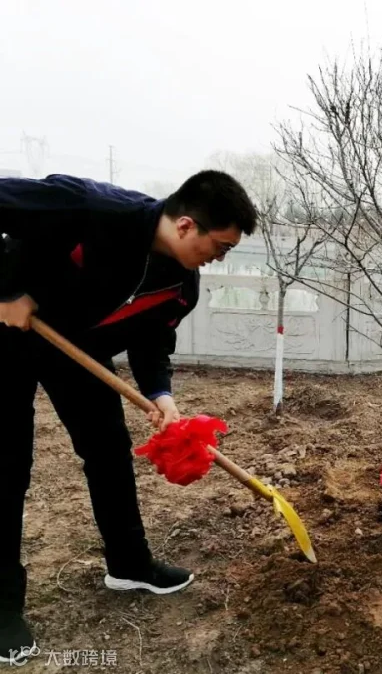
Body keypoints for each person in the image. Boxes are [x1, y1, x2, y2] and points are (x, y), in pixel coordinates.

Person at [0, 171, 257, 664]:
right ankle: (1, 608)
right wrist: (9, 288)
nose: (220, 258)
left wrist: (161, 394)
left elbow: (152, 338)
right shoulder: (91, 208)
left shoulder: (182, 284)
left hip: (77, 350)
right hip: (9, 334)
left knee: (109, 453)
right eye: (220, 246)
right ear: (186, 225)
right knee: (9, 468)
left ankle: (129, 564)